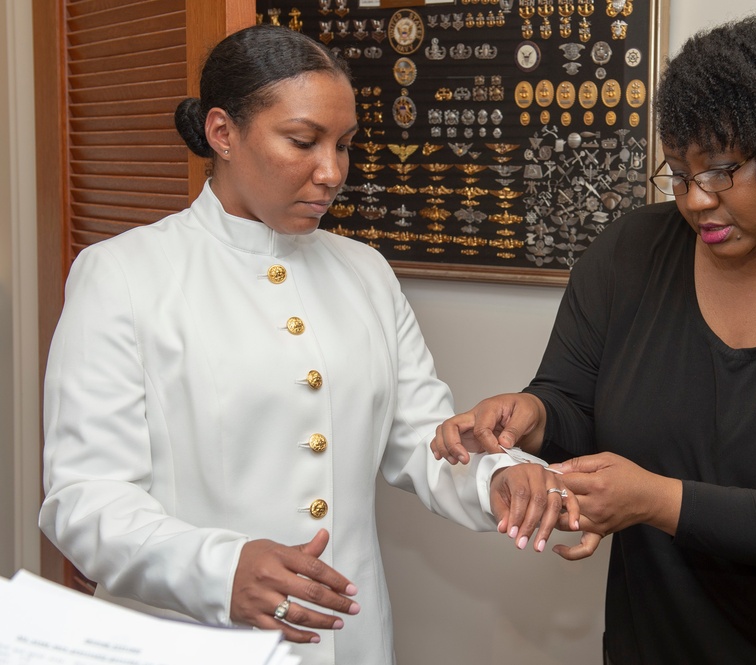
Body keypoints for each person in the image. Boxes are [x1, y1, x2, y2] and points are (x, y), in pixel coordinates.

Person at [433, 14, 756, 664]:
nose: (695, 200)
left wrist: (656, 499)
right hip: (658, 634)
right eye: (679, 174)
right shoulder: (631, 254)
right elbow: (578, 402)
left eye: (720, 171)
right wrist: (533, 416)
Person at [38, 24, 569, 665]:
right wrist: (220, 567)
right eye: (303, 141)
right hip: (190, 642)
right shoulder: (122, 274)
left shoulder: (364, 271)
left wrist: (509, 483)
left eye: (343, 145)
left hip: (348, 641)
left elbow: (427, 439)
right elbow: (85, 498)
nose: (332, 172)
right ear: (222, 133)